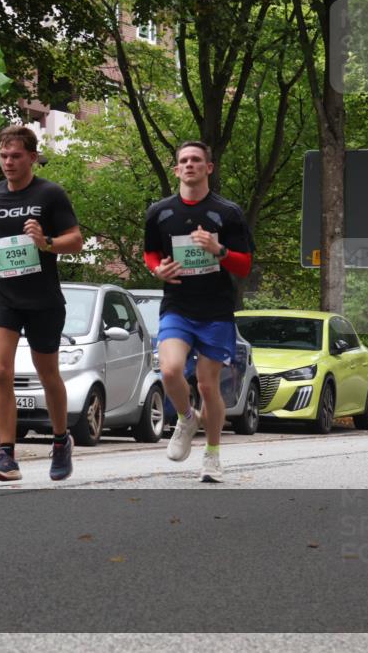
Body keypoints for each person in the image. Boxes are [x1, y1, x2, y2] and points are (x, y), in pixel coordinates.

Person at [0, 125, 84, 481]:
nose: (8, 162)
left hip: (42, 297)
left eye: (16, 156)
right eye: (3, 156)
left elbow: (76, 240)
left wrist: (46, 241)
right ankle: (6, 455)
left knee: (48, 373)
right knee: (1, 370)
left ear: (32, 157)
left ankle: (61, 440)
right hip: (2, 293)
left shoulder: (50, 194)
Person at [143, 140, 254, 482]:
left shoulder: (228, 212)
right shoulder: (159, 212)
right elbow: (150, 254)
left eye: (196, 160)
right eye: (183, 161)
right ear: (176, 169)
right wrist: (156, 270)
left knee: (208, 386)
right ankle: (186, 418)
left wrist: (218, 249)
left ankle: (213, 456)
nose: (189, 165)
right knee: (171, 370)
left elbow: (245, 265)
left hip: (216, 310)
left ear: (209, 167)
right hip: (177, 305)